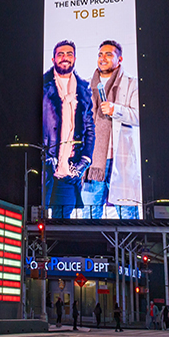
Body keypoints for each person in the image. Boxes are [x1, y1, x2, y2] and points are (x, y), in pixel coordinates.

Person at [81, 40, 142, 219]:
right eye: (100, 54)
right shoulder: (85, 85)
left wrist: (116, 110)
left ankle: (132, 248)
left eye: (108, 54)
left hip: (119, 160)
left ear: (119, 59)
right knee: (89, 216)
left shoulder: (131, 83)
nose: (103, 58)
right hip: (93, 163)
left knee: (127, 216)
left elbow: (140, 116)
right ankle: (92, 247)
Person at [42, 40, 95, 219]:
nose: (65, 58)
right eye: (61, 54)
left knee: (61, 224)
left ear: (75, 58)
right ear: (53, 59)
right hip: (45, 168)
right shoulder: (41, 86)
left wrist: (85, 160)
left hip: (69, 172)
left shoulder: (84, 89)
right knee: (38, 222)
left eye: (69, 54)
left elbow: (89, 128)